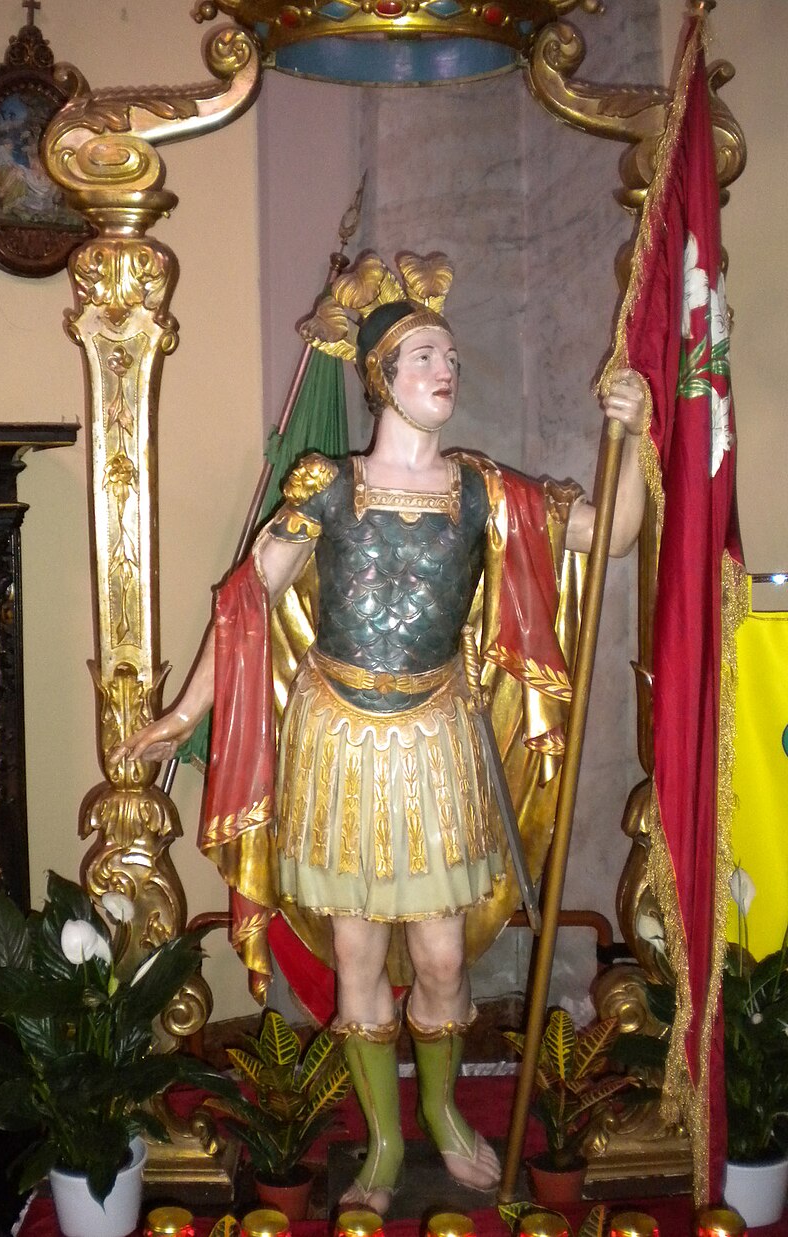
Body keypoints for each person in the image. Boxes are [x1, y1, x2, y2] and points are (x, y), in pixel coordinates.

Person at [112, 252, 645, 1214]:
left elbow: (611, 534)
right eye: (427, 355)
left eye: (451, 356)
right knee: (358, 957)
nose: (448, 369)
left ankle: (442, 1110)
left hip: (436, 739)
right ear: (381, 376)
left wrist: (635, 434)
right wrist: (185, 714)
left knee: (441, 958)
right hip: (341, 744)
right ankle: (388, 1143)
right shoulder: (326, 486)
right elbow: (247, 601)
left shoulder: (484, 489)